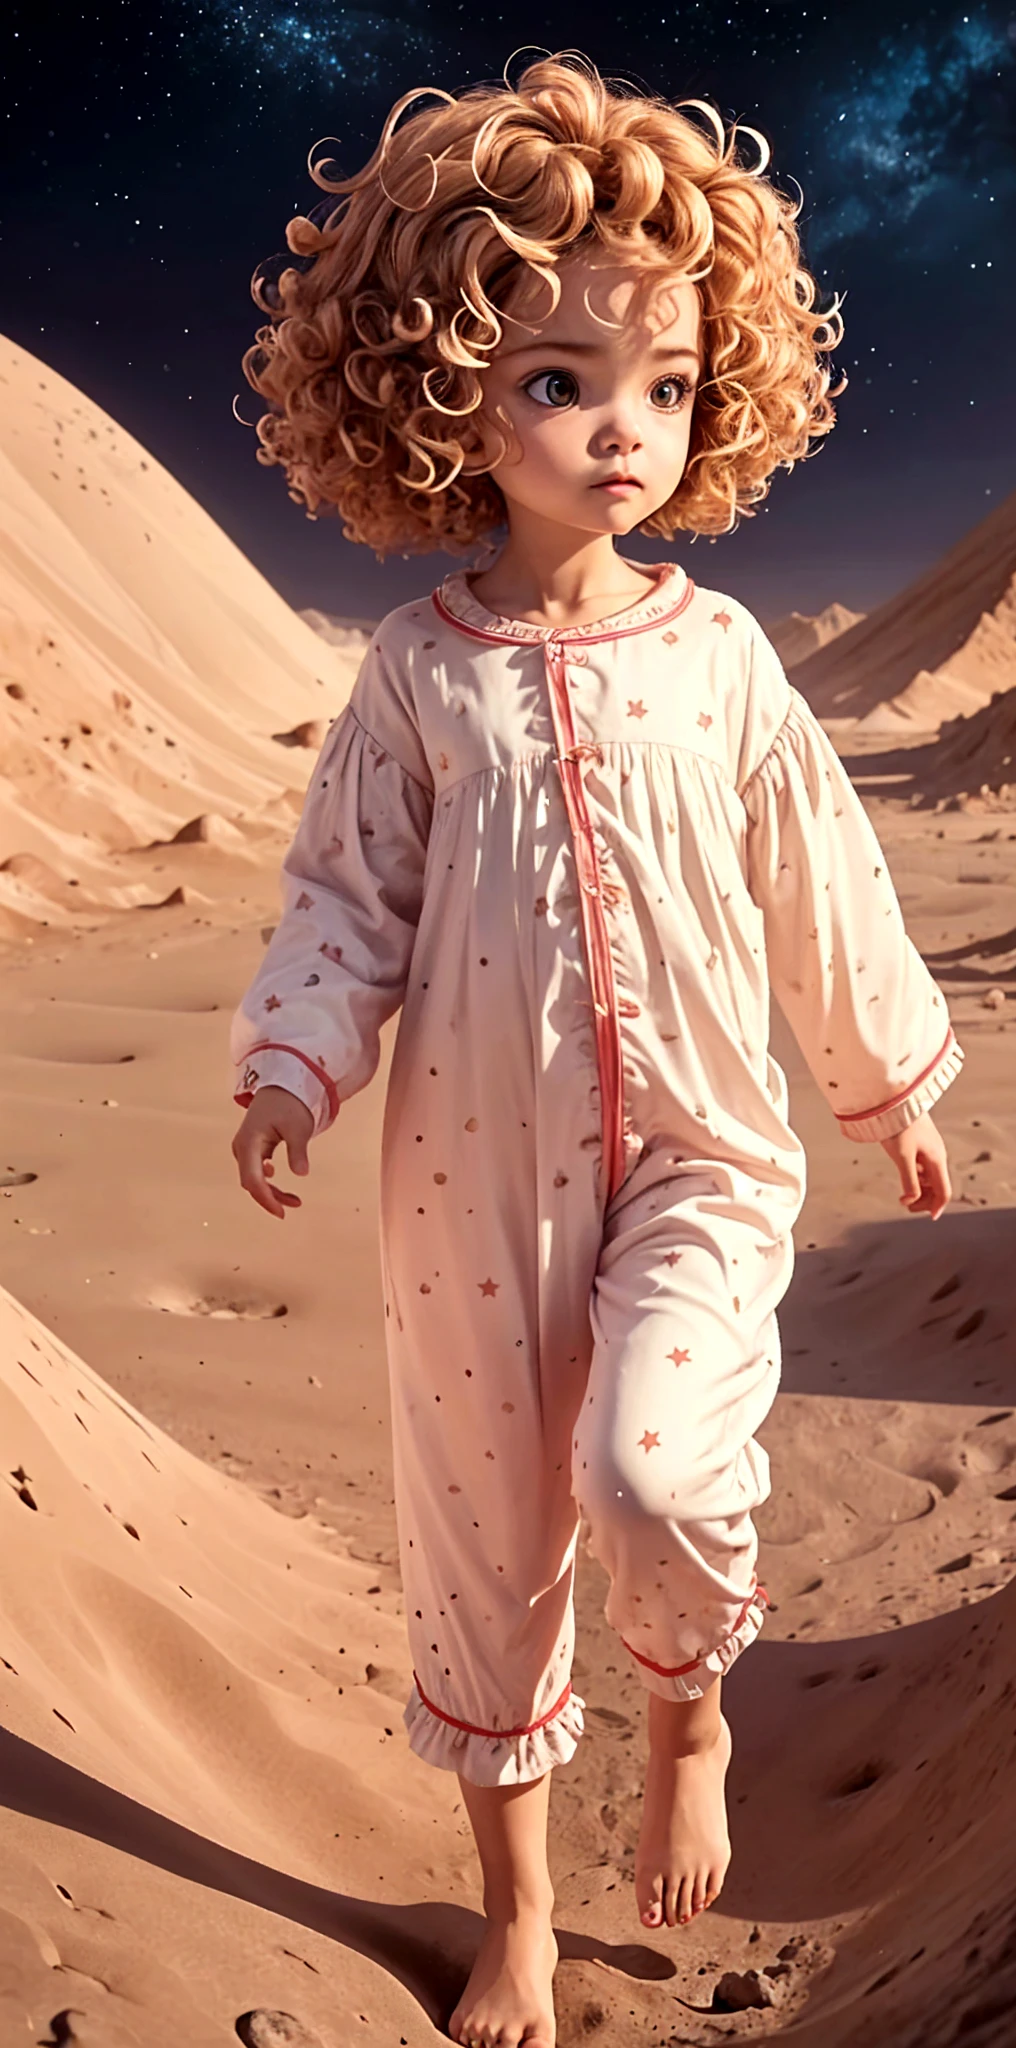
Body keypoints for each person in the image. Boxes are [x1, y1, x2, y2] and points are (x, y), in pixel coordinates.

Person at [229, 49, 962, 2048]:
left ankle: (692, 1711)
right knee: (486, 1534)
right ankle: (522, 1912)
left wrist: (891, 1078)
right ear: (439, 384)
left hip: (709, 1151)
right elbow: (344, 898)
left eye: (657, 382)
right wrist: (293, 1061)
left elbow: (820, 871)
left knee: (650, 1466)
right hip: (471, 1185)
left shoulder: (722, 657)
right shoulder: (413, 674)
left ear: (717, 390)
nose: (616, 428)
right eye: (556, 379)